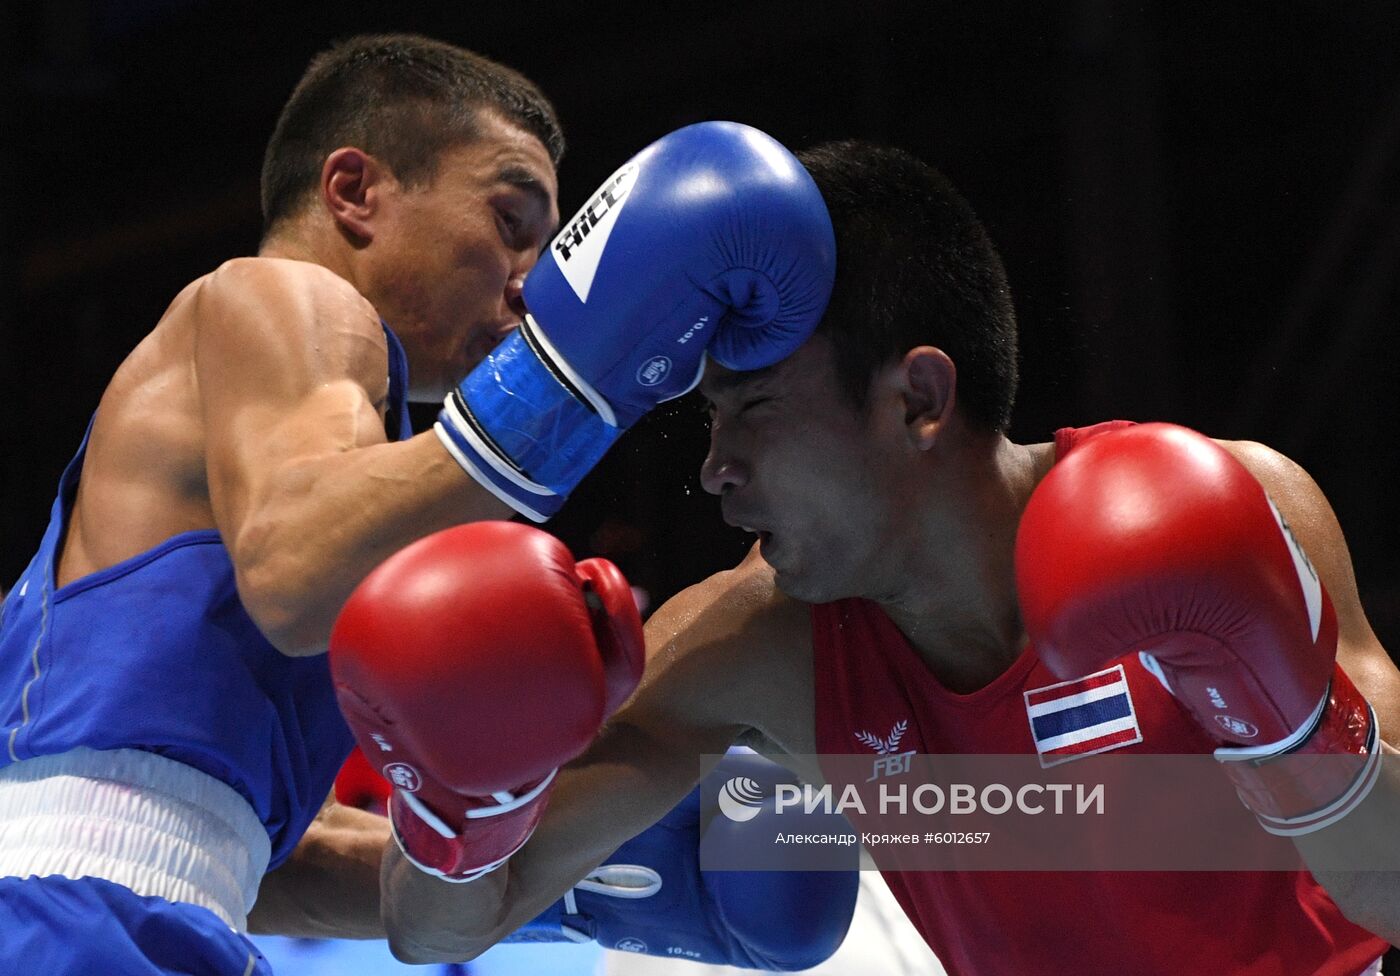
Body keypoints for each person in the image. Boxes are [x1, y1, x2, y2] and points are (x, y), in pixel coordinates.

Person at [343, 141, 1400, 975]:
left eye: (749, 409)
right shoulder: (762, 646)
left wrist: (1295, 727)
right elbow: (437, 927)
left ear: (918, 401)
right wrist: (457, 798)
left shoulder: (1237, 503)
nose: (715, 470)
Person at [0, 29, 836, 973]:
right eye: (510, 222)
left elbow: (250, 865)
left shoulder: (310, 461)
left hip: (109, 923)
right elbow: (293, 573)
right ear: (355, 192)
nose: (530, 288)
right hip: (74, 925)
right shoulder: (287, 297)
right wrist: (570, 386)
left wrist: (550, 875)